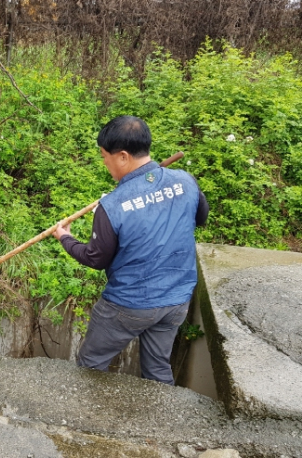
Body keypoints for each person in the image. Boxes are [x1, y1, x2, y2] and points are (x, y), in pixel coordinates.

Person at [53, 115, 209, 385]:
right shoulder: (185, 181)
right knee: (158, 369)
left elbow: (95, 258)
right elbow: (201, 218)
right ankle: (164, 426)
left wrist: (65, 238)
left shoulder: (112, 206)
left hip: (128, 305)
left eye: (105, 157)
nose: (105, 163)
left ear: (123, 156)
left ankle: (83, 423)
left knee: (90, 366)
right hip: (176, 301)